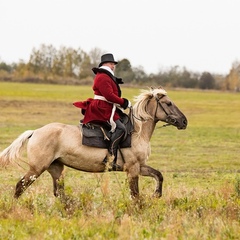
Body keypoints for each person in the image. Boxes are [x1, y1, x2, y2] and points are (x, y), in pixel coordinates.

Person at [75, 53, 131, 170]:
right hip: (102, 108)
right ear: (105, 64)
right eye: (111, 64)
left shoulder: (105, 76)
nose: (113, 66)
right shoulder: (103, 77)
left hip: (106, 106)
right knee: (121, 128)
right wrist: (124, 102)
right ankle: (110, 159)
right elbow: (109, 96)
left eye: (113, 64)